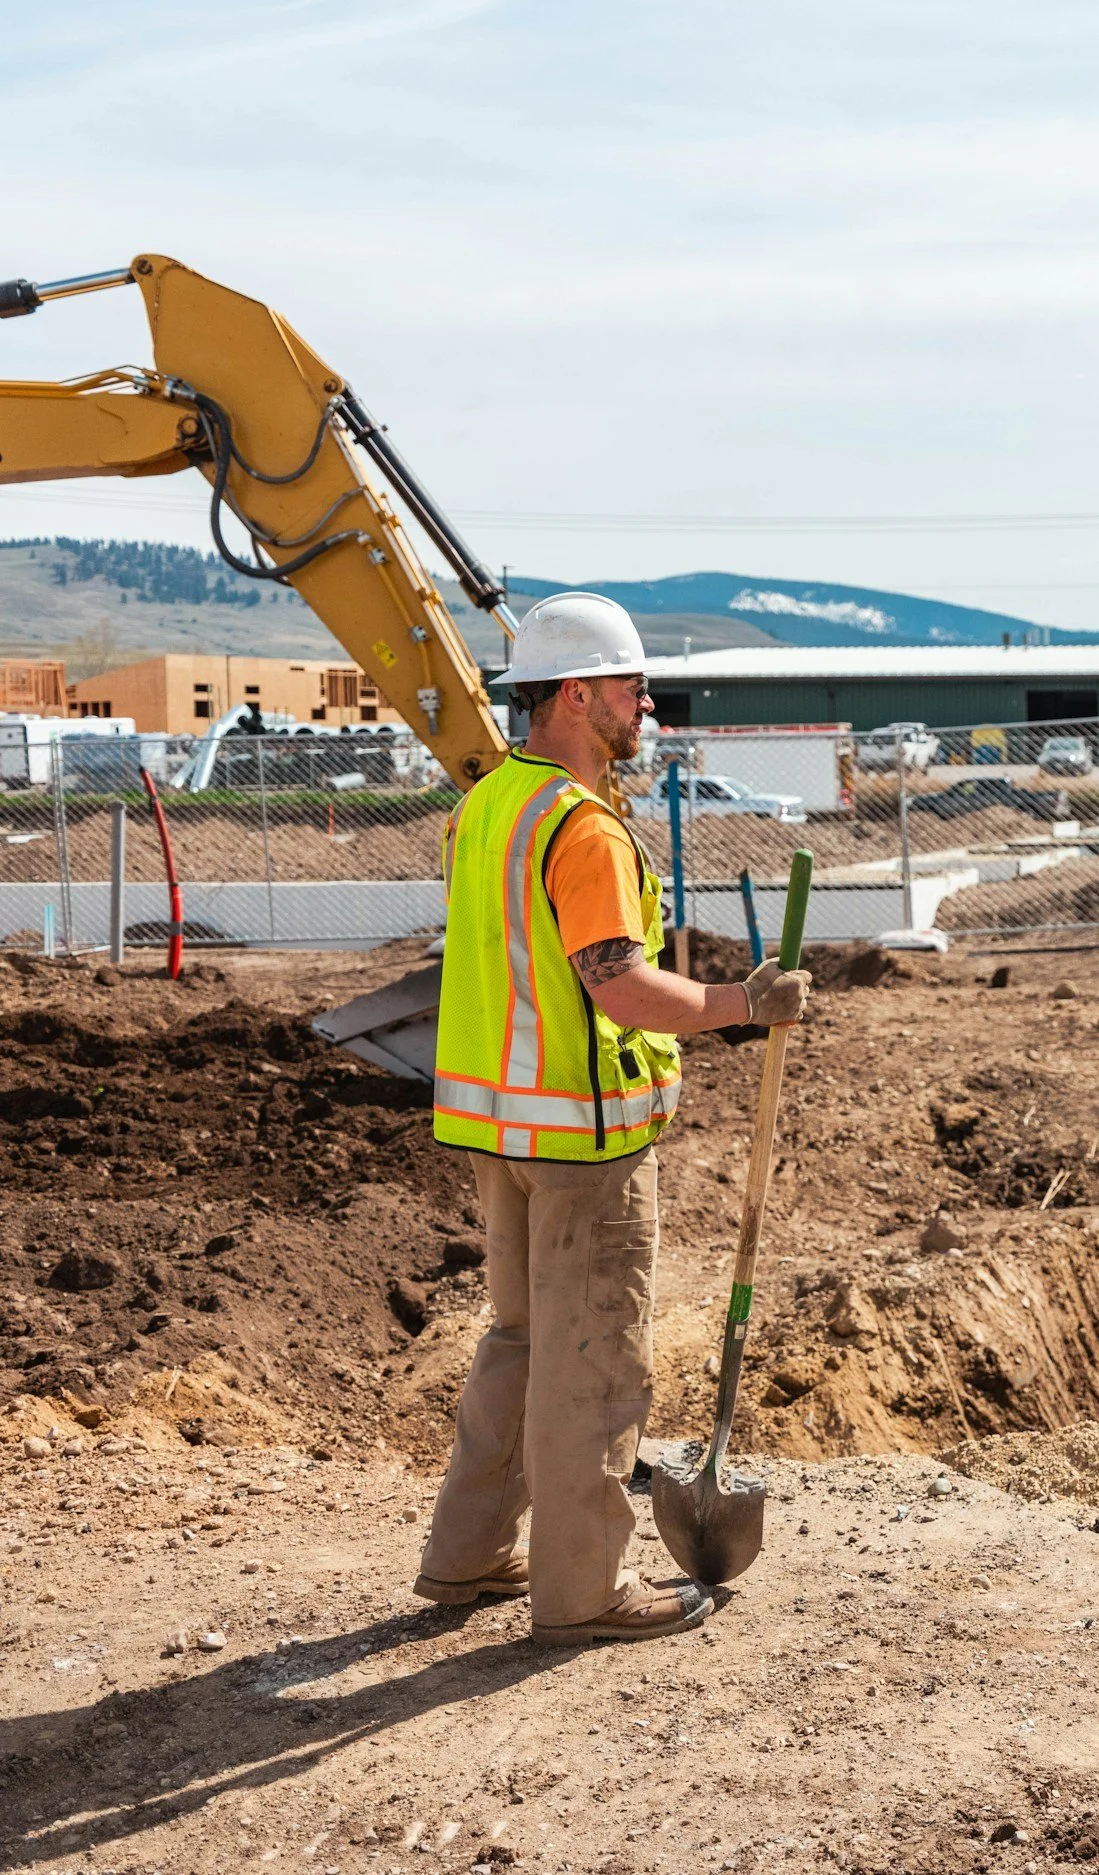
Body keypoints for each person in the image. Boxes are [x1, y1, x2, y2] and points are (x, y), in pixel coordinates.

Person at [414, 592, 811, 1645]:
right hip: (584, 1142)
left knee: (516, 1342)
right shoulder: (579, 828)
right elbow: (618, 987)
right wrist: (742, 1006)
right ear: (579, 696)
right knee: (590, 1361)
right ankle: (584, 1592)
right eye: (635, 687)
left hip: (500, 1126)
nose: (649, 704)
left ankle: (467, 1556)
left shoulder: (490, 803)